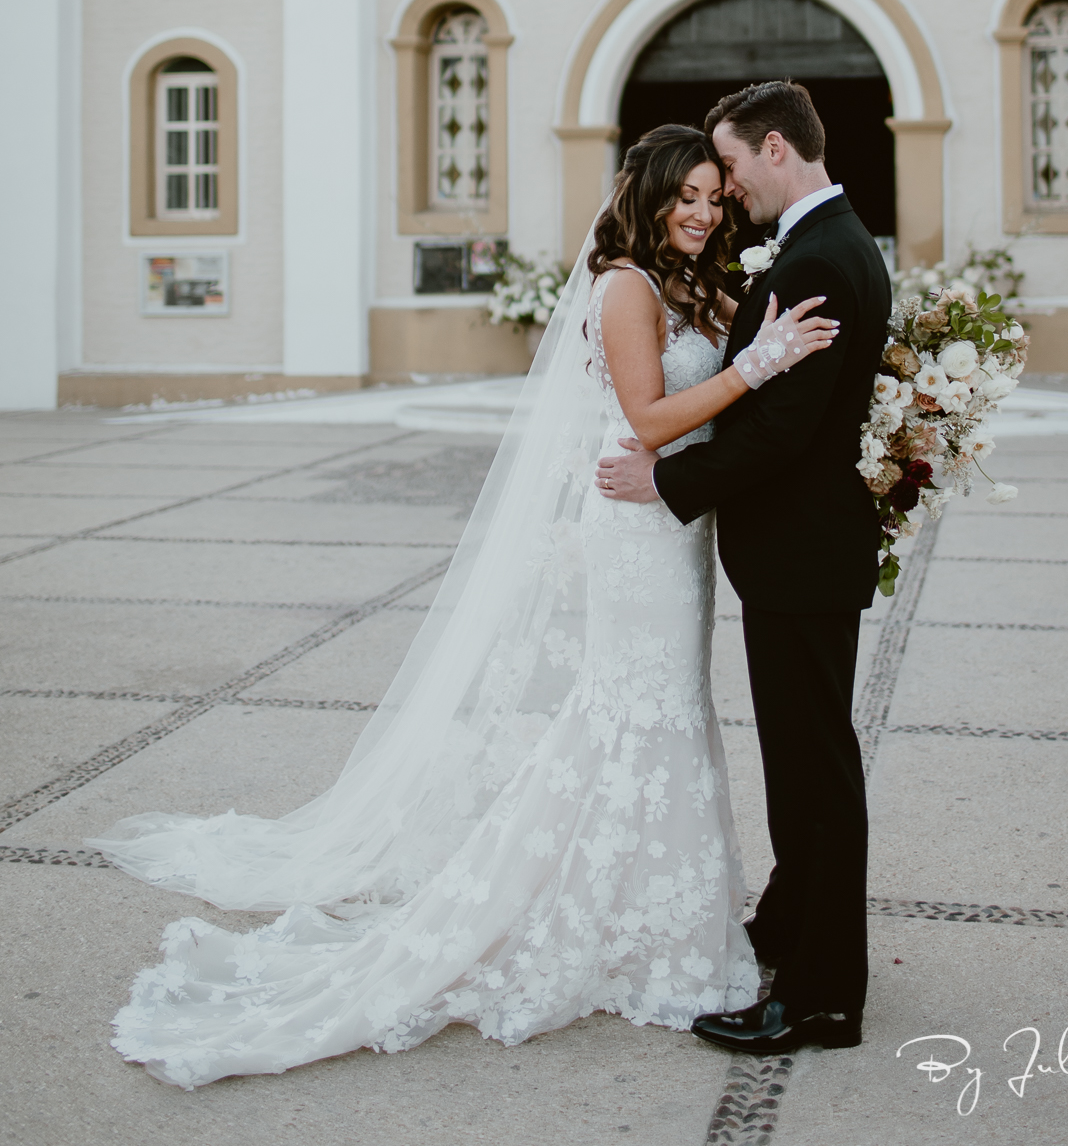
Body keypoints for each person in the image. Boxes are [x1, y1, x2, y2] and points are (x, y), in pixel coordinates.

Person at [89, 123, 836, 1089]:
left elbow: (726, 384)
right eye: (683, 197)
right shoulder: (624, 287)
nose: (701, 212)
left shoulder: (691, 284)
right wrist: (757, 365)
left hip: (677, 533)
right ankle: (592, 916)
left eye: (711, 195)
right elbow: (649, 421)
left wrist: (772, 348)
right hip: (635, 531)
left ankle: (652, 909)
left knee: (670, 712)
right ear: (647, 198)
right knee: (631, 713)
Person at [597, 83, 891, 1055]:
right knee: (806, 766)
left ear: (772, 150)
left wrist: (668, 484)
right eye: (697, 187)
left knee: (814, 773)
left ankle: (819, 997)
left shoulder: (817, 259)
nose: (722, 197)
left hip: (800, 558)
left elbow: (779, 433)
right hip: (804, 555)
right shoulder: (834, 243)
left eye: (725, 175)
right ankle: (790, 929)